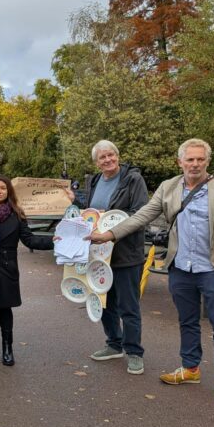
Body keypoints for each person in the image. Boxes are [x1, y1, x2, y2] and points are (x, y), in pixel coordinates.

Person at [91, 138, 214, 403]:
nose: (195, 164)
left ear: (207, 161)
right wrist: (109, 234)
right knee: (187, 321)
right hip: (180, 267)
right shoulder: (168, 187)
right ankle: (190, 368)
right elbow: (142, 216)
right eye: (190, 159)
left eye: (200, 159)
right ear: (180, 162)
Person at [67, 140, 149, 375]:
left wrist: (111, 234)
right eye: (102, 157)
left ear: (118, 156)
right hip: (99, 255)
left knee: (128, 305)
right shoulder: (94, 181)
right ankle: (114, 343)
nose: (108, 160)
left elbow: (140, 213)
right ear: (96, 162)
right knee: (103, 302)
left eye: (111, 155)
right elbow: (92, 213)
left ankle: (134, 352)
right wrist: (75, 201)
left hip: (126, 253)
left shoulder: (133, 179)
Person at [0, 176, 54, 366]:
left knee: (5, 307)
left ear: (8, 191)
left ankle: (7, 348)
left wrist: (54, 240)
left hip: (7, 266)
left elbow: (29, 240)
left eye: (3, 188)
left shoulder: (16, 214)